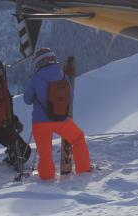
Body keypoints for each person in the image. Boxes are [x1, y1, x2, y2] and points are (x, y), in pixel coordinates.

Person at [22, 48, 92, 180]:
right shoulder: (62, 75)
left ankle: (47, 179)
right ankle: (84, 171)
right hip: (61, 120)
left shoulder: (36, 77)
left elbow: (27, 99)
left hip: (40, 123)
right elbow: (71, 97)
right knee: (78, 138)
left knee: (45, 154)